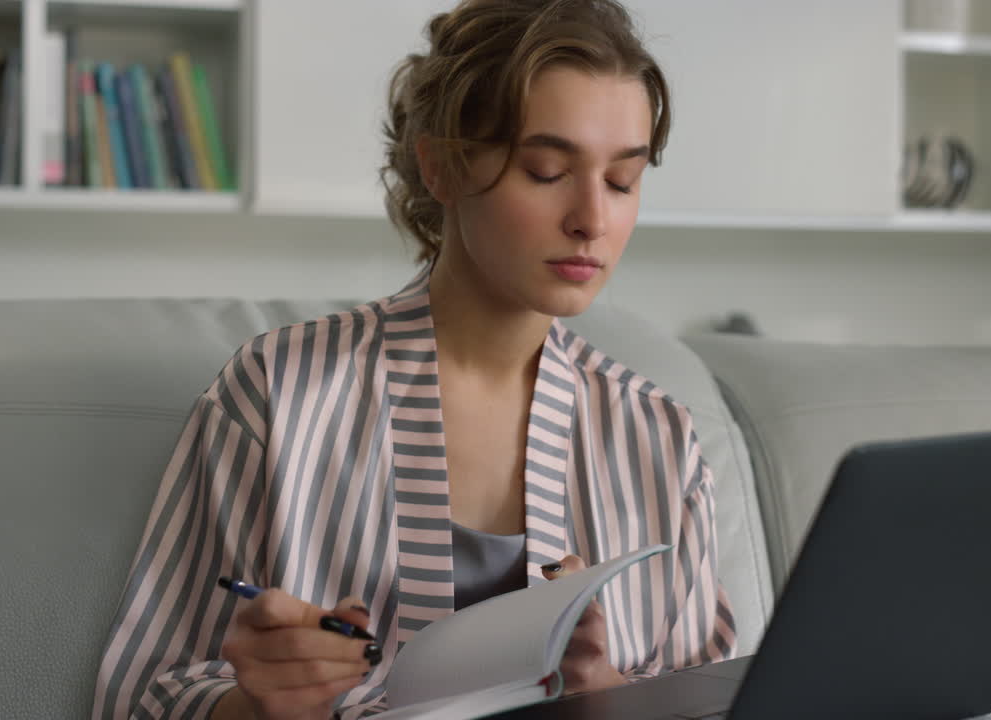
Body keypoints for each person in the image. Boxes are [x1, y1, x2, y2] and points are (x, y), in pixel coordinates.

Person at [91, 1, 736, 718]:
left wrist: (607, 699)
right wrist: (254, 706)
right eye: (548, 170)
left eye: (622, 181)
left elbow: (715, 700)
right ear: (441, 166)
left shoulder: (661, 442)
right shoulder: (277, 393)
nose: (594, 217)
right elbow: (139, 698)